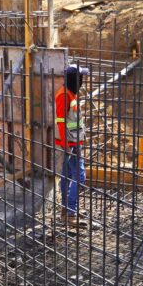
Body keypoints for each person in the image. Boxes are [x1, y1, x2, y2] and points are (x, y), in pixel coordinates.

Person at [55, 65, 87, 222]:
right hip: (70, 143)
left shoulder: (71, 94)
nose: (83, 81)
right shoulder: (64, 96)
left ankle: (66, 209)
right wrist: (66, 144)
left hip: (74, 141)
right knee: (80, 176)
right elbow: (60, 122)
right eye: (81, 78)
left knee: (67, 175)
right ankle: (70, 211)